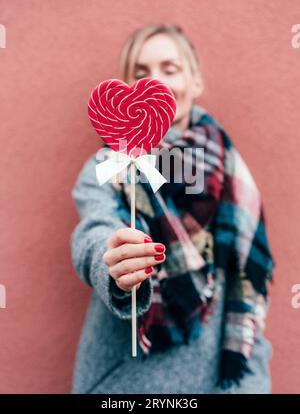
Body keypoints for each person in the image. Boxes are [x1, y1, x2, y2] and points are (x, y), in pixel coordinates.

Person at [70, 24, 274, 394]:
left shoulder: (230, 175)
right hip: (123, 385)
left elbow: (246, 293)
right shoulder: (110, 168)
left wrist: (250, 384)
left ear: (195, 82)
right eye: (141, 73)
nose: (158, 82)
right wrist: (112, 259)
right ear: (126, 91)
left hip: (213, 382)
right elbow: (94, 230)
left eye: (170, 68)